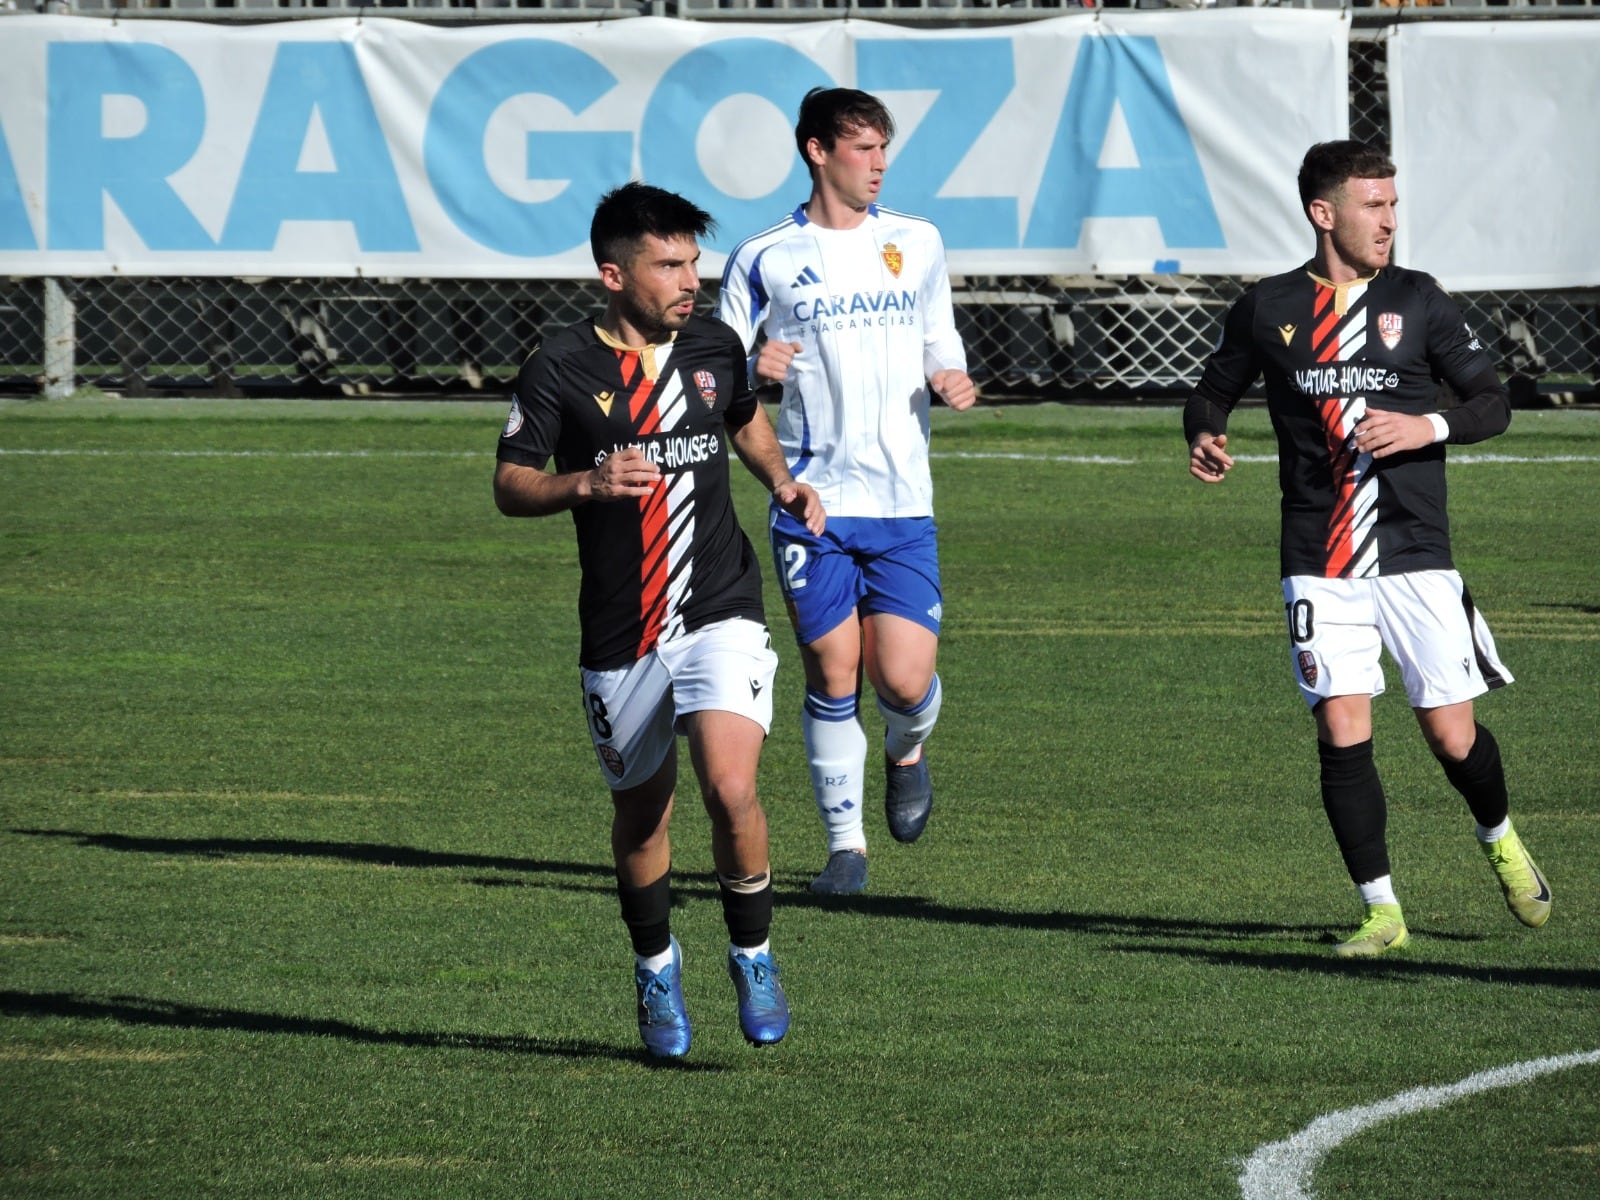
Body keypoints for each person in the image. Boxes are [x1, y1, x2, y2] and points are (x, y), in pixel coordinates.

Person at [1184, 139, 1551, 957]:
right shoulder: (1268, 306)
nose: (1389, 220)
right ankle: (1381, 911)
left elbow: (1493, 403)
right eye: (1372, 205)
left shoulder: (1418, 299)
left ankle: (1499, 837)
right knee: (1341, 727)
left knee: (1450, 734)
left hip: (1416, 549)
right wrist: (1206, 436)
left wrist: (1426, 424)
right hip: (1317, 553)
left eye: (1393, 203)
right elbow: (1213, 392)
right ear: (1324, 214)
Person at [494, 182, 824, 1056]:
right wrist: (585, 483)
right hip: (620, 630)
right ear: (613, 274)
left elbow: (743, 419)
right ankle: (654, 969)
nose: (690, 280)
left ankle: (752, 954)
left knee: (731, 785)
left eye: (693, 261)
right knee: (644, 817)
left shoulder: (715, 343)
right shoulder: (560, 364)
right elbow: (509, 484)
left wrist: (783, 482)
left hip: (721, 607)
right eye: (669, 264)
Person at [715, 87, 977, 897]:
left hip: (901, 502)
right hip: (811, 501)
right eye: (863, 149)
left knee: (901, 681)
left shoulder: (917, 241)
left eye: (883, 148)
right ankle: (845, 850)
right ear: (817, 151)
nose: (879, 164)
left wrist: (949, 374)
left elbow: (942, 338)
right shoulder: (763, 257)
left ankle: (906, 747)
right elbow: (714, 374)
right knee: (833, 673)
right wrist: (748, 371)